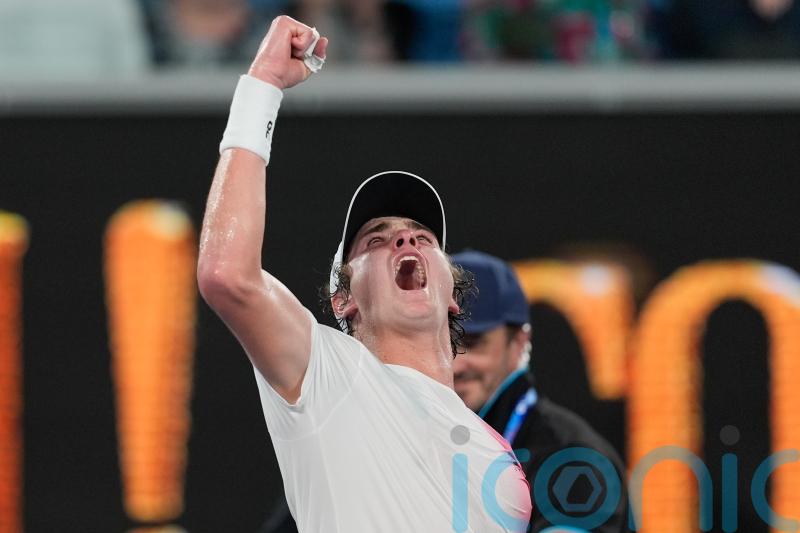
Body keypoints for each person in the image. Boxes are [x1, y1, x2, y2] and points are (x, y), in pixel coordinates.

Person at [197, 16, 532, 532]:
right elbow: (227, 276)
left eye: (422, 235)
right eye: (376, 239)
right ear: (342, 301)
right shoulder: (329, 374)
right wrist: (262, 88)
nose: (406, 240)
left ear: (452, 296)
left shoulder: (499, 462)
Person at [451, 250, 629, 532]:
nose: (456, 364)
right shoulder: (421, 441)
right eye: (443, 341)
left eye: (473, 343)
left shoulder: (572, 458)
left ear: (519, 342)